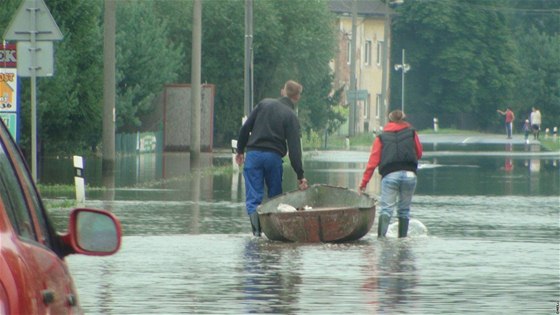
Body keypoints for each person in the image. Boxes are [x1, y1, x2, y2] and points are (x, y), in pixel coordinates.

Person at [235, 80, 309, 236]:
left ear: (283, 91)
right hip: (273, 158)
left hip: (253, 155)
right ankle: (273, 234)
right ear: (297, 97)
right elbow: (295, 149)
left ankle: (256, 234)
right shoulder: (291, 116)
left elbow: (245, 128)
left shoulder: (264, 104)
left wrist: (240, 151)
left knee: (253, 199)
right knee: (275, 198)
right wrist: (300, 175)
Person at [359, 110, 423, 238]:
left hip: (390, 175)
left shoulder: (381, 137)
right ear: (403, 119)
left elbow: (372, 162)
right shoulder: (411, 133)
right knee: (404, 211)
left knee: (386, 210)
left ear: (389, 120)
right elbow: (419, 153)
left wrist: (364, 183)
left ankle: (381, 239)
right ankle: (402, 240)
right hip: (410, 175)